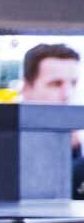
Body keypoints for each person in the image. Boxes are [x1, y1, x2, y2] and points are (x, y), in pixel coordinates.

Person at [17, 43, 84, 200]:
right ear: (26, 88)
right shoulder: (9, 152)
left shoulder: (77, 150)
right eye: (55, 84)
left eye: (73, 83)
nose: (67, 94)